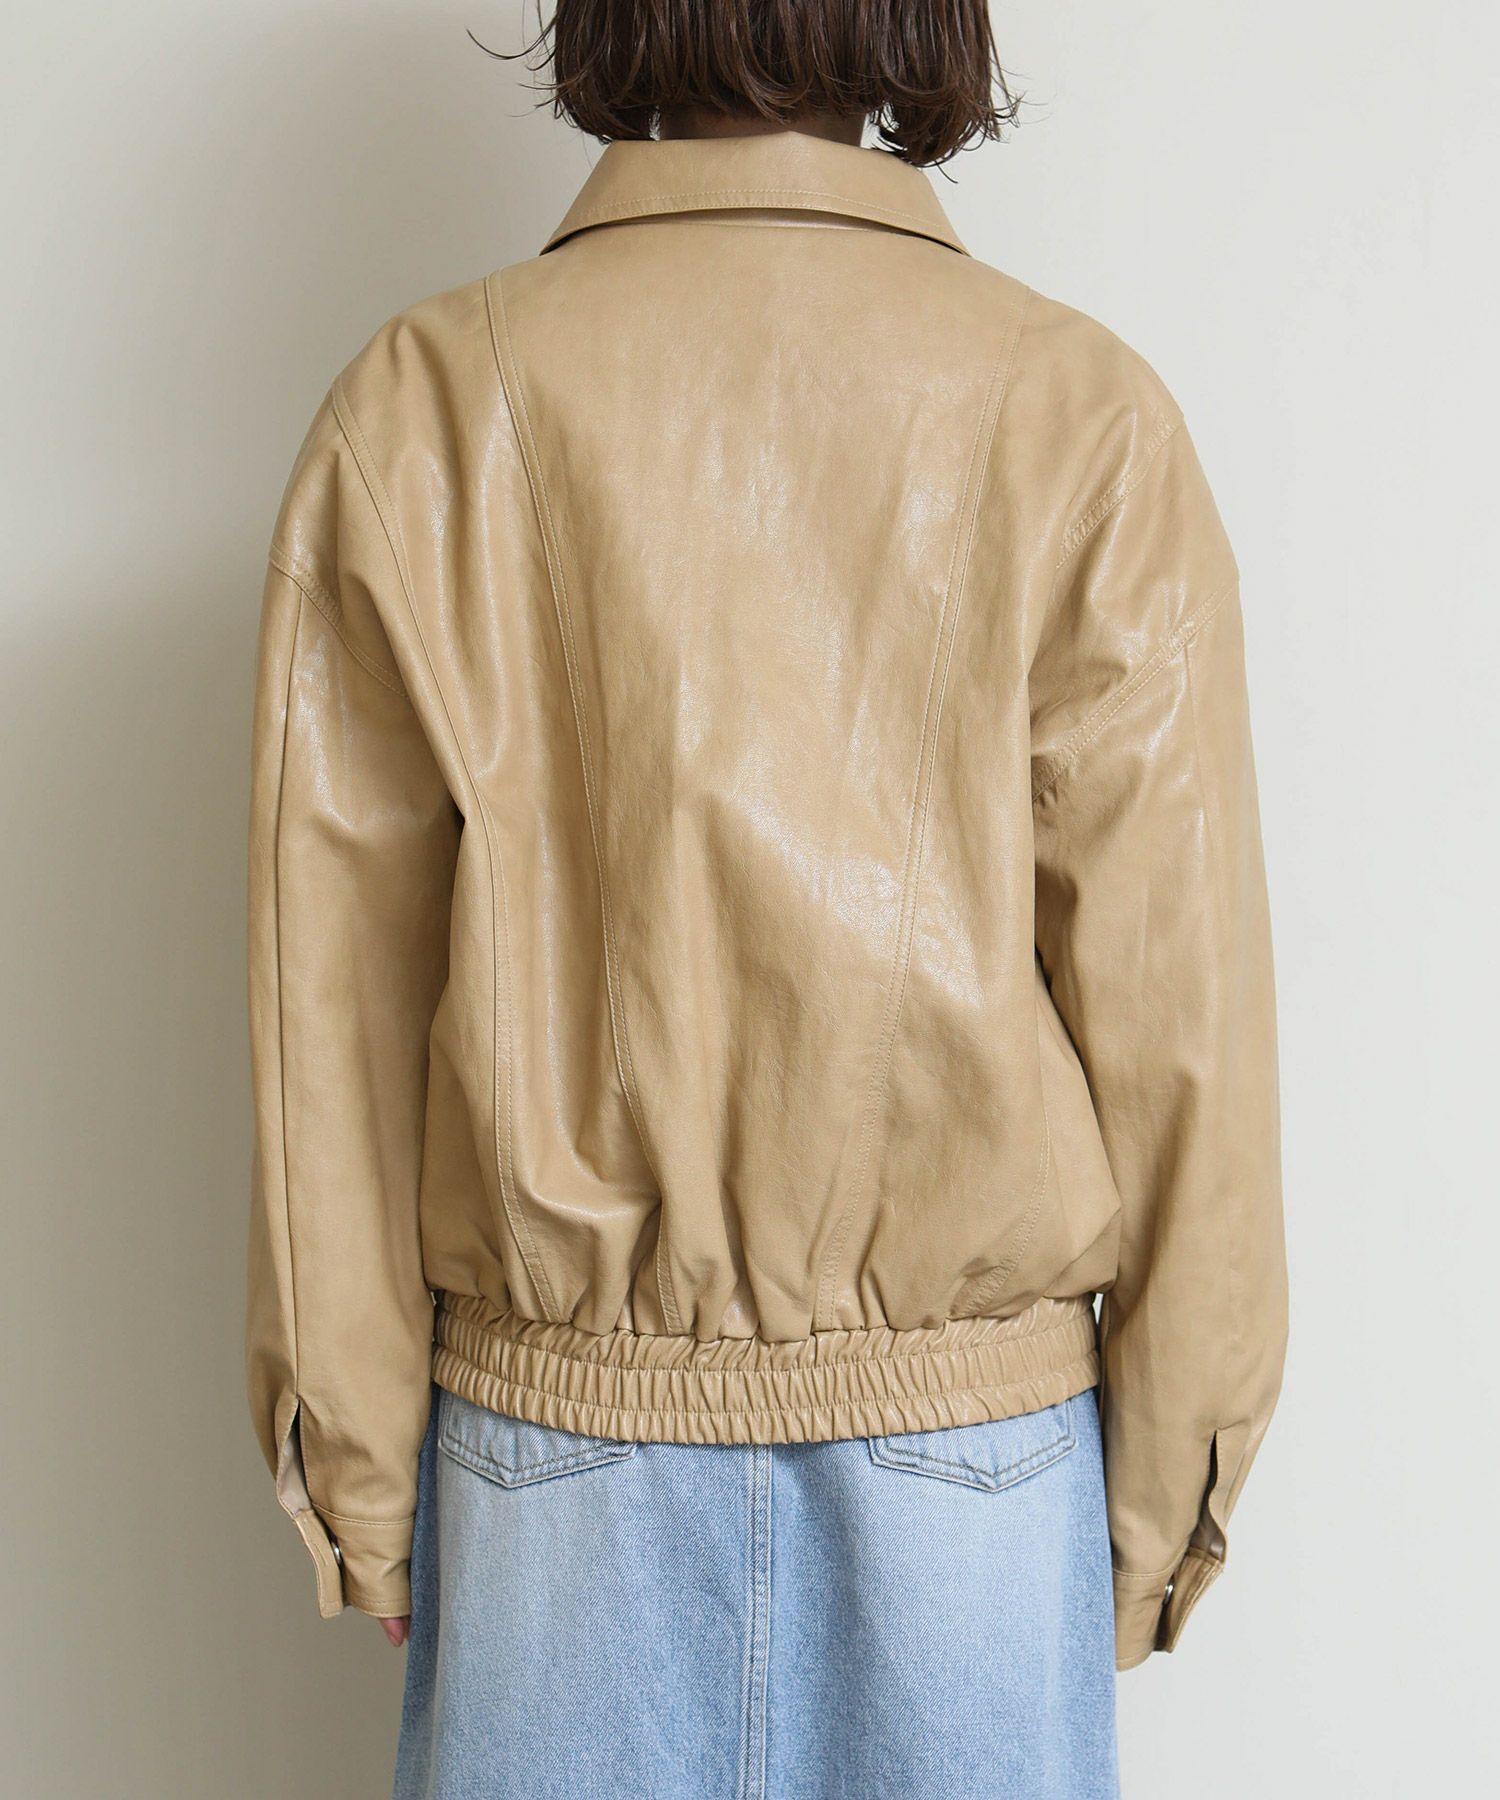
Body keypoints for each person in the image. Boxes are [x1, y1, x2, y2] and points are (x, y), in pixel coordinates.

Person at [245, 4, 1287, 1795]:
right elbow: (1179, 1002)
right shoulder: (1083, 413)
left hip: (557, 1465)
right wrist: (1164, 1495)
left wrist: (360, 1477)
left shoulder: (423, 405)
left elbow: (323, 1004)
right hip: (972, 1478)